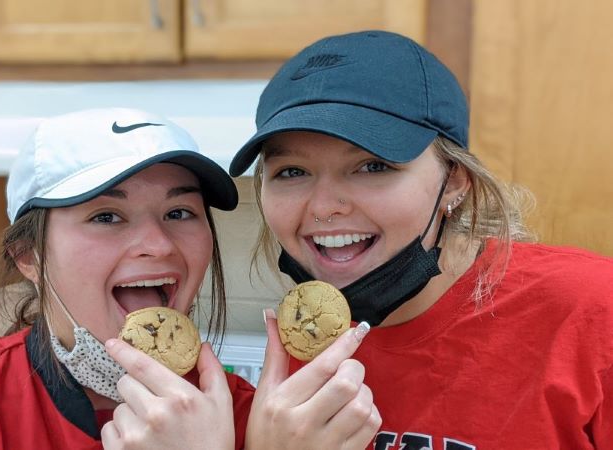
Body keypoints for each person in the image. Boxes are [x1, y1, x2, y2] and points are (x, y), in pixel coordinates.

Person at [229, 30, 613, 449]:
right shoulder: (298, 349)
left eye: (372, 166)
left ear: (455, 180)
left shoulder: (592, 314)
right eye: (291, 172)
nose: (323, 207)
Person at [0, 107, 255, 449]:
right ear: (28, 256)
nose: (159, 245)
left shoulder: (251, 420)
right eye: (106, 217)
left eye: (178, 212)